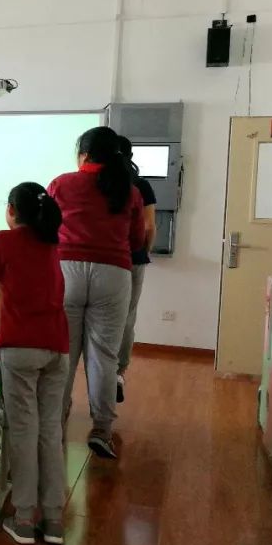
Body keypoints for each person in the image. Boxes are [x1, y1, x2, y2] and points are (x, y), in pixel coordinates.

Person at [0, 182, 69, 545]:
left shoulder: (1, 241)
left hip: (20, 347)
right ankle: (54, 521)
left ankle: (23, 519)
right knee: (50, 431)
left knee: (23, 431)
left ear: (12, 210)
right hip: (57, 347)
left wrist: (0, 339)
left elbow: (1, 294)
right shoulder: (52, 242)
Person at [48, 126, 144, 461]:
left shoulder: (61, 184)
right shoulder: (129, 191)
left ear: (84, 154)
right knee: (103, 355)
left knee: (63, 352)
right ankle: (102, 429)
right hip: (114, 274)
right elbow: (137, 241)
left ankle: (56, 422)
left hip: (66, 270)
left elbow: (45, 229)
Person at [116, 136, 157, 404]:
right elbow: (149, 226)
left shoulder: (99, 185)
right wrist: (144, 251)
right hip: (133, 259)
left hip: (103, 258)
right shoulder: (141, 185)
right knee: (127, 315)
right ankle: (118, 373)